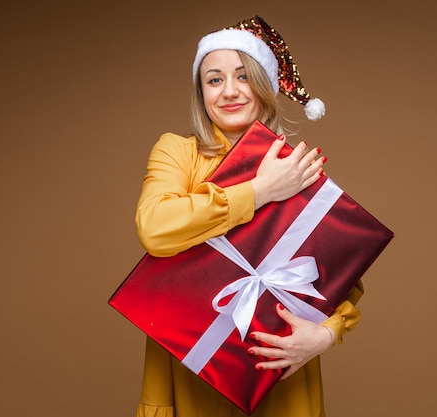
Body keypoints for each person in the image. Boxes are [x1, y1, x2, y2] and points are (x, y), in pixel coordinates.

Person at [133, 15, 363, 417]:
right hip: (196, 360)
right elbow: (155, 227)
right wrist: (258, 192)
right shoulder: (177, 153)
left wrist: (324, 337)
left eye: (243, 76)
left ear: (265, 85)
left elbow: (342, 274)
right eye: (214, 79)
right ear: (201, 92)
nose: (229, 91)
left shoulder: (296, 169)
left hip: (280, 367)